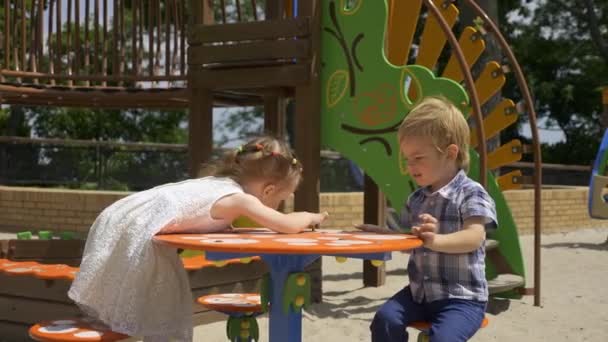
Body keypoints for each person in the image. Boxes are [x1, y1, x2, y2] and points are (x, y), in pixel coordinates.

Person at [68, 136, 328, 341]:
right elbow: (285, 226)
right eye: (281, 199)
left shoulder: (218, 184)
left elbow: (195, 216)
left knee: (149, 304)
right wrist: (310, 215)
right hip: (137, 228)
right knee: (166, 306)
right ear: (269, 189)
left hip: (121, 216)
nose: (280, 205)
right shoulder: (241, 199)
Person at [370, 97, 497, 342]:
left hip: (463, 298)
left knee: (442, 339)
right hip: (419, 294)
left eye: (418, 158)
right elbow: (414, 241)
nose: (410, 166)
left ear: (450, 153)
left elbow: (474, 237)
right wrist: (382, 235)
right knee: (385, 320)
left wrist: (435, 240)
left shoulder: (471, 192)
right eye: (407, 159)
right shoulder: (416, 198)